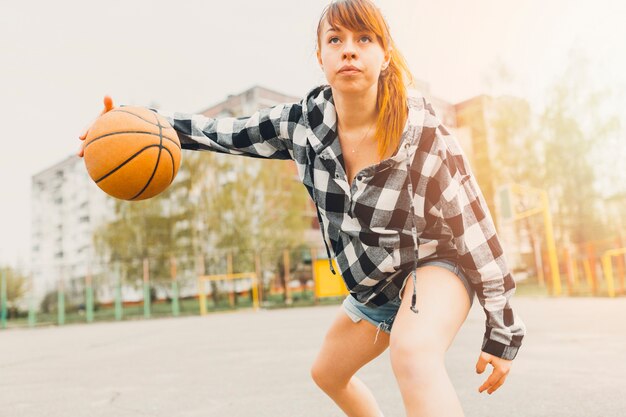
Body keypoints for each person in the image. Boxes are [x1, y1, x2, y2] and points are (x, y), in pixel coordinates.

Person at [78, 1, 526, 415]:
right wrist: (137, 124)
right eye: (336, 40)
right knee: (328, 374)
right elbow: (221, 131)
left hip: (436, 267)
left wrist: (503, 330)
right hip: (373, 288)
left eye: (363, 39)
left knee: (412, 353)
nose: (349, 51)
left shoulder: (423, 132)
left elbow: (475, 228)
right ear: (321, 57)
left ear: (385, 55)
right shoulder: (301, 127)